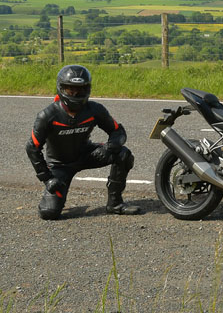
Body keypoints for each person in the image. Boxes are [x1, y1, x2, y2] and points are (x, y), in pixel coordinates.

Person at [25, 64, 141, 220]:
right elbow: (32, 148)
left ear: (88, 89)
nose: (75, 93)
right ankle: (55, 198)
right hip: (59, 166)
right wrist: (47, 178)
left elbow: (117, 131)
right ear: (61, 88)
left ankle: (115, 204)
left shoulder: (95, 109)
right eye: (70, 89)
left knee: (123, 154)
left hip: (86, 155)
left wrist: (111, 146)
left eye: (81, 89)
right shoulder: (47, 115)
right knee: (49, 213)